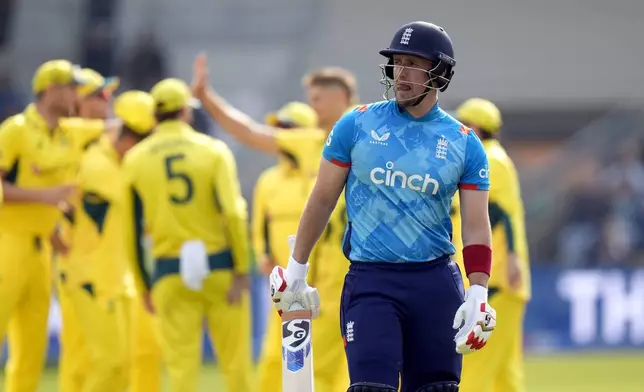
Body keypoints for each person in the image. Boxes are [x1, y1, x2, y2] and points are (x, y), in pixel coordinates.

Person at [269, 21, 497, 392]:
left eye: (413, 63)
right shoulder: (356, 124)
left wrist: (478, 290)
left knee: (437, 388)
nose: (401, 73)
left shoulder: (464, 142)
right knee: (371, 388)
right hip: (371, 281)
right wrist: (297, 268)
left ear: (439, 72)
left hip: (436, 283)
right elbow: (322, 198)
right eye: (397, 62)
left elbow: (475, 224)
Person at [191, 55, 354, 391]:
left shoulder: (371, 133)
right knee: (294, 366)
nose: (314, 106)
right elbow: (250, 133)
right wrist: (207, 99)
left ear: (342, 96)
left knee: (337, 369)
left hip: (348, 274)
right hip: (308, 278)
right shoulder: (311, 143)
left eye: (318, 98)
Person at [123, 78, 253, 392]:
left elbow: (130, 230)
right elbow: (234, 213)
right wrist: (241, 268)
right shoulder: (213, 150)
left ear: (155, 114)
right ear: (186, 111)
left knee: (181, 371)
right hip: (219, 266)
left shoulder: (135, 158)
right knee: (235, 367)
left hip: (169, 270)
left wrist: (144, 284)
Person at [0, 59, 90, 392]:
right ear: (50, 89)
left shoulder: (63, 135)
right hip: (7, 243)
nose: (75, 96)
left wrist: (53, 232)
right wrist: (46, 196)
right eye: (70, 87)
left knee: (30, 353)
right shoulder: (17, 129)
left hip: (40, 251)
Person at [61, 90, 156, 392]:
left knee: (124, 369)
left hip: (116, 278)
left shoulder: (114, 158)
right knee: (108, 364)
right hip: (92, 278)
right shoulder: (98, 165)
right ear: (131, 140)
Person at [451, 98, 530, 392]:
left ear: (474, 128)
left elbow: (501, 216)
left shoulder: (488, 159)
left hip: (495, 282)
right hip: (506, 284)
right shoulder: (497, 158)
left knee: (475, 370)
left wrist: (510, 260)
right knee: (505, 376)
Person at [56, 67, 120, 392]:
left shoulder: (100, 141)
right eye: (99, 95)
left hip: (106, 266)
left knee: (106, 358)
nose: (107, 101)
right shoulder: (70, 135)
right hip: (80, 265)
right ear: (77, 101)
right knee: (81, 359)